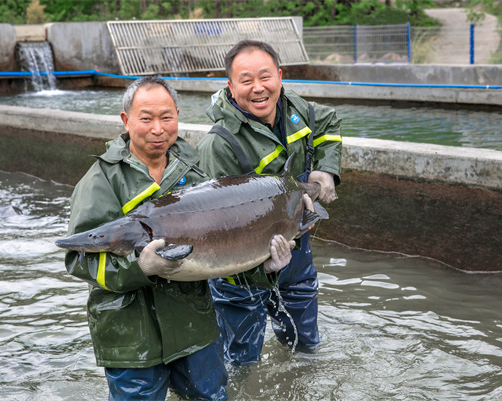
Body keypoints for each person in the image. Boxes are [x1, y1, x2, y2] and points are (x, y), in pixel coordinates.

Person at [64, 76, 235, 401]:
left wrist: (266, 263)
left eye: (166, 117)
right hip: (130, 336)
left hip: (193, 327)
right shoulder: (100, 181)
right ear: (126, 121)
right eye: (146, 119)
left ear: (178, 116)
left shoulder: (197, 175)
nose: (158, 128)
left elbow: (226, 247)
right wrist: (138, 267)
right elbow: (80, 259)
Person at [197, 40, 343, 365]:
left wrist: (326, 170)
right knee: (240, 363)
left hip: (297, 254)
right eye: (246, 81)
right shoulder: (217, 144)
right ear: (231, 88)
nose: (258, 88)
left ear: (280, 76)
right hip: (242, 274)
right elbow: (215, 228)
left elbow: (329, 123)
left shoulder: (298, 111)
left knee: (306, 351)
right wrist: (261, 267)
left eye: (265, 77)